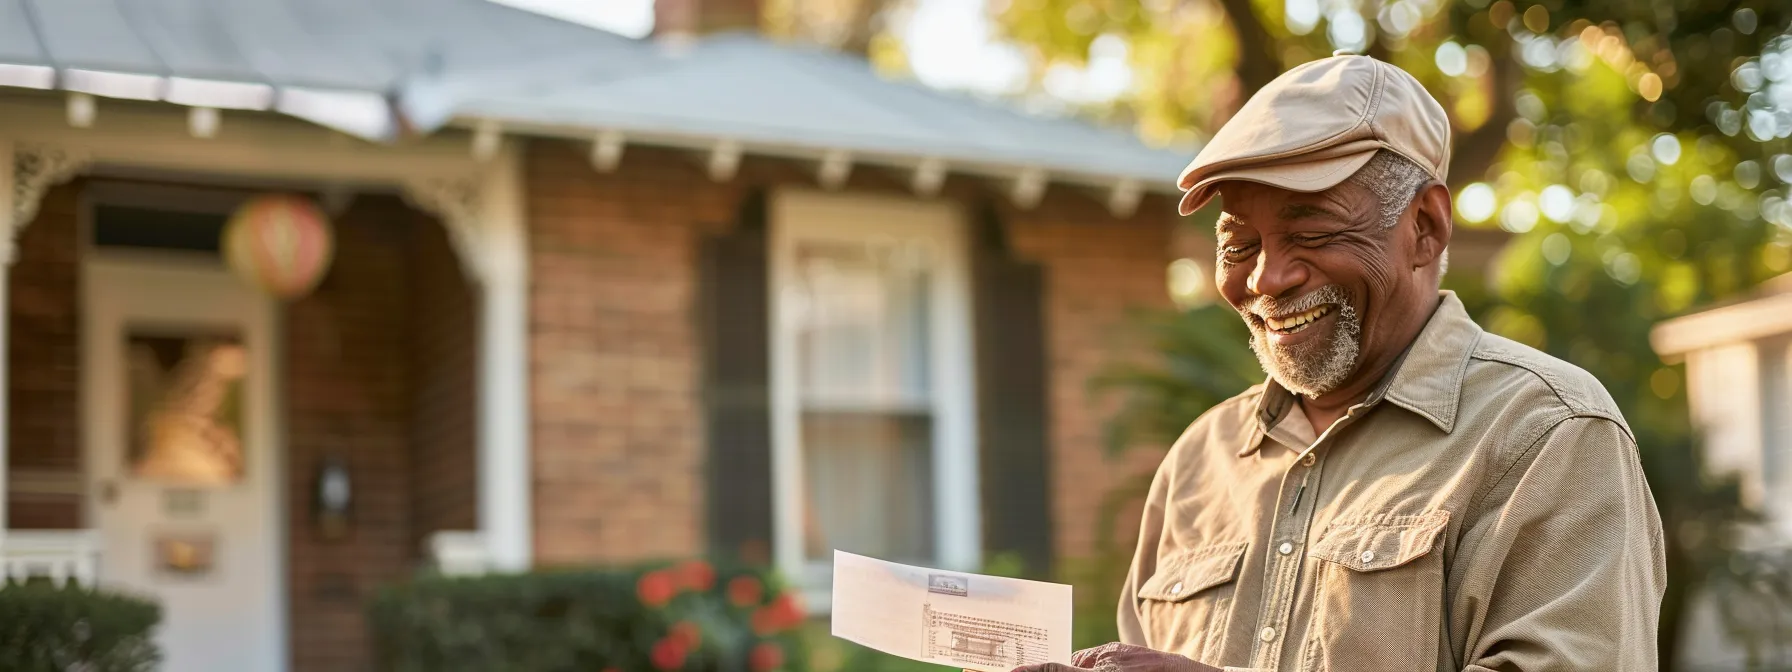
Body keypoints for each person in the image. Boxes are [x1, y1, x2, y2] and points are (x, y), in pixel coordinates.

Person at [1015, 55, 1667, 671]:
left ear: (1426, 227)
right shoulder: (1198, 463)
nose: (1268, 278)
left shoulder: (1548, 433)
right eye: (1239, 243)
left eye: (1314, 232)